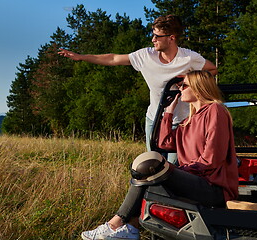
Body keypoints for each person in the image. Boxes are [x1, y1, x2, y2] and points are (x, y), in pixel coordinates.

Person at [80, 70, 238, 240]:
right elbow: (164, 143)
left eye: (183, 86)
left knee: (150, 166)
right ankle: (131, 228)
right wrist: (169, 113)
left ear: (198, 88)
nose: (180, 90)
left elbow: (212, 158)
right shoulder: (189, 121)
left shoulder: (215, 110)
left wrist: (180, 171)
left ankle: (117, 224)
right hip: (195, 180)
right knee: (149, 174)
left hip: (213, 187)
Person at [58, 15, 218, 152]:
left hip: (182, 121)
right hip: (154, 119)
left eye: (157, 36)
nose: (153, 39)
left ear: (171, 38)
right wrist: (81, 57)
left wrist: (189, 79)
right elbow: (113, 58)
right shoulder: (145, 56)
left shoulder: (189, 58)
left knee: (177, 167)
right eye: (153, 35)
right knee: (154, 165)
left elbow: (212, 69)